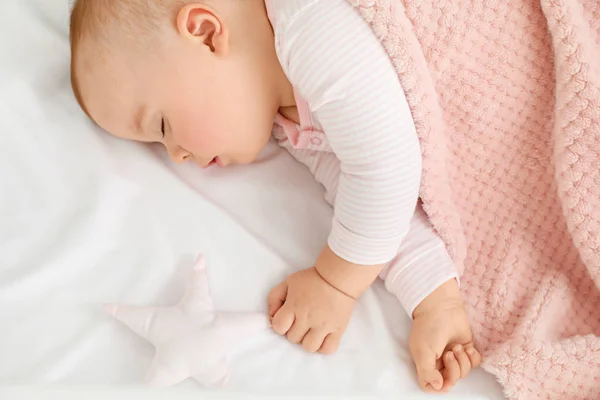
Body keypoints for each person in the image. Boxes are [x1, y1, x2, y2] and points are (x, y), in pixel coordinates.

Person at [69, 0, 481, 392]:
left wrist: (335, 282)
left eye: (162, 126)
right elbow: (367, 201)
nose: (176, 156)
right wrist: (435, 298)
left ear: (207, 33)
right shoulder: (288, 125)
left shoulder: (309, 27)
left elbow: (387, 166)